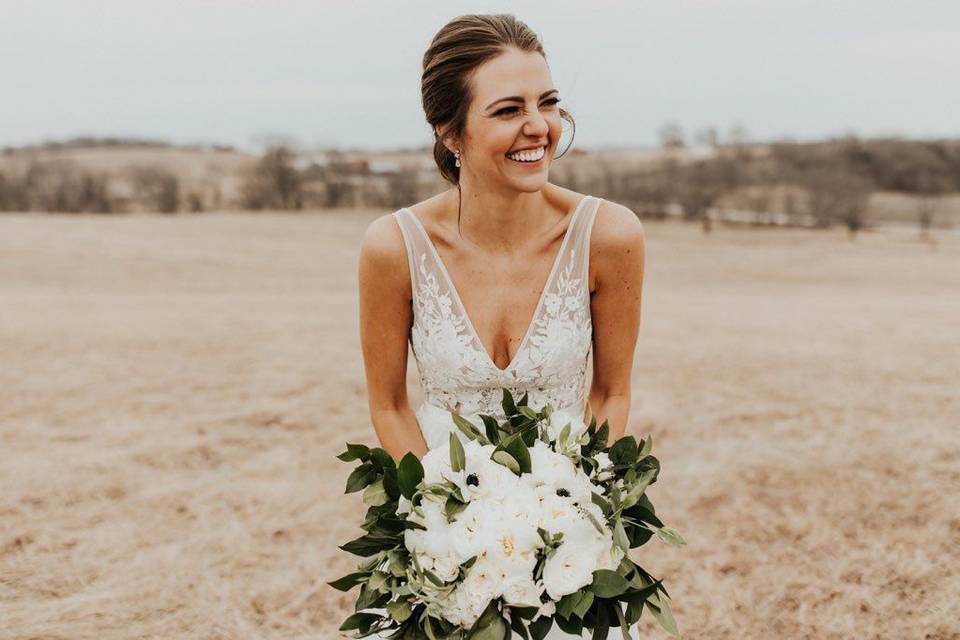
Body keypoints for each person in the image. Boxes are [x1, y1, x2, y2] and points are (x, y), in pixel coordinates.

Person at [356, 14, 645, 639]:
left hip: (567, 545)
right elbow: (388, 403)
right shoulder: (393, 246)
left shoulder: (609, 236)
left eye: (548, 102)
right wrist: (448, 522)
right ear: (449, 131)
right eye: (508, 109)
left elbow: (609, 393)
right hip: (440, 542)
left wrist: (572, 511)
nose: (538, 126)